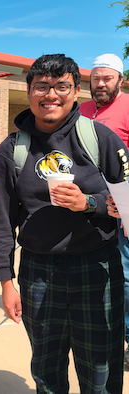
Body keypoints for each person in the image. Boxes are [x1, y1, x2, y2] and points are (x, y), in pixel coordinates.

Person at [0, 54, 129, 393]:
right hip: (38, 272)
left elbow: (127, 202)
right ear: (28, 92)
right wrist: (6, 282)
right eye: (42, 87)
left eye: (61, 86)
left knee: (100, 368)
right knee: (47, 369)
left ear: (76, 91)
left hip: (96, 268)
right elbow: (1, 219)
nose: (51, 95)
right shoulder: (12, 150)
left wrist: (89, 204)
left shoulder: (101, 139)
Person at [80, 53, 129, 363]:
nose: (100, 83)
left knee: (125, 273)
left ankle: (125, 337)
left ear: (120, 81)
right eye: (95, 78)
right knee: (92, 269)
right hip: (87, 206)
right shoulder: (81, 110)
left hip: (122, 202)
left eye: (106, 78)